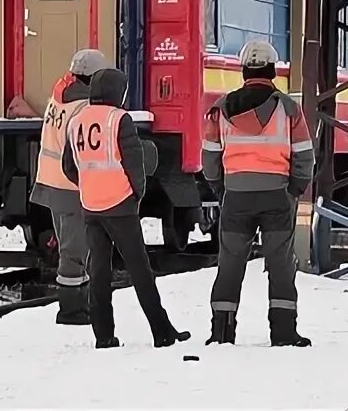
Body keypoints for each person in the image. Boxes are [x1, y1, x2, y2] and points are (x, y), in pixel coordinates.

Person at [62, 67, 190, 349]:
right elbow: (135, 166)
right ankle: (162, 331)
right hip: (120, 205)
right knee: (140, 270)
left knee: (99, 272)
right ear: (117, 92)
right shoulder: (119, 119)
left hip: (91, 206)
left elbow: (69, 167)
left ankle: (103, 336)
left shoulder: (76, 121)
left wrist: (88, 185)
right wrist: (136, 195)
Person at [202, 40, 315, 347]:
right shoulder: (289, 109)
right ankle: (283, 333)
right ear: (273, 71)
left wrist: (221, 188)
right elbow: (304, 155)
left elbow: (210, 157)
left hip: (236, 196)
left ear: (243, 71)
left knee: (230, 264)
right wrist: (294, 189)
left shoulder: (221, 109)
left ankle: (221, 333)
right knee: (280, 264)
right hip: (277, 195)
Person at [30, 48, 109, 325]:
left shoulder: (58, 95)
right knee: (75, 250)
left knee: (70, 245)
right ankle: (71, 310)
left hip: (50, 182)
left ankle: (79, 304)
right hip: (71, 185)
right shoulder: (82, 107)